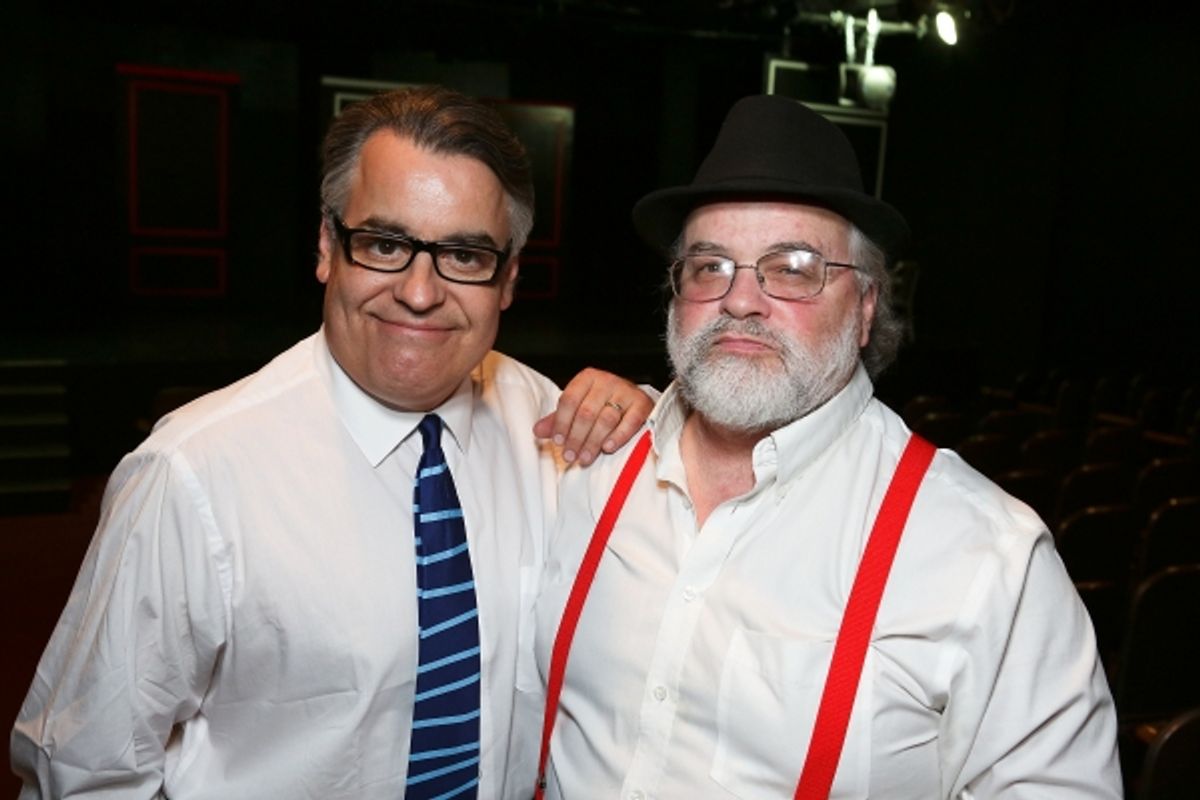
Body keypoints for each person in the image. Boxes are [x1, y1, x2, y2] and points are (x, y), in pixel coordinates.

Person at [12, 85, 652, 799]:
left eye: (465, 256)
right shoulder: (194, 474)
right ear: (326, 248)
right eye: (384, 244)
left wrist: (648, 409)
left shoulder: (551, 431)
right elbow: (86, 770)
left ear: (507, 280)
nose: (418, 291)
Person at [533, 95, 1122, 798]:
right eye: (710, 265)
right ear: (675, 292)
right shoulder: (582, 465)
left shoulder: (986, 555)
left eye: (793, 267)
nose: (741, 301)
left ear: (867, 306)